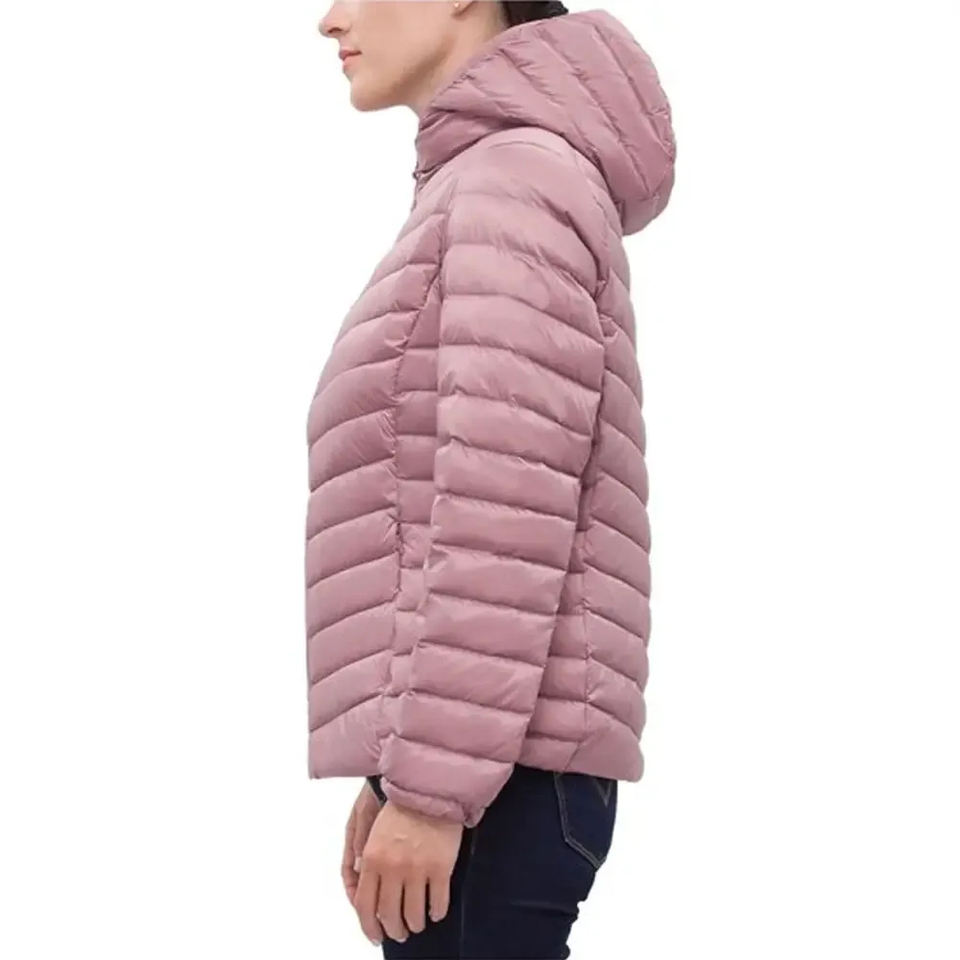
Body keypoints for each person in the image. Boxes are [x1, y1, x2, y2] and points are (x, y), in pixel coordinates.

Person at [307, 2, 676, 956]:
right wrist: (396, 767)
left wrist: (433, 790)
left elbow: (505, 512)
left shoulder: (513, 184)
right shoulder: (489, 182)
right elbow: (449, 502)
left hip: (499, 782)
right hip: (492, 767)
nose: (329, 20)